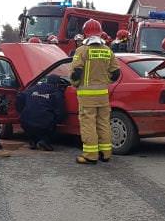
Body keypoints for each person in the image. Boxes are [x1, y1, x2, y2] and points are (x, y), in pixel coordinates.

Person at [71, 18, 120, 164]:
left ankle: (90, 155)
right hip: (103, 95)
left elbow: (76, 73)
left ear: (85, 33)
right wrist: (105, 82)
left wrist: (75, 84)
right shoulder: (108, 51)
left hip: (87, 97)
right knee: (103, 123)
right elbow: (116, 73)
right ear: (99, 33)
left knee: (88, 124)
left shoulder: (81, 51)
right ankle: (106, 153)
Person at [16, 74, 66, 151]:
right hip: (43, 123)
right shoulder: (57, 93)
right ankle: (44, 141)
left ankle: (33, 140)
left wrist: (21, 111)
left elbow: (19, 96)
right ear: (57, 84)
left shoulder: (33, 88)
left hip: (25, 121)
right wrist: (57, 120)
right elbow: (60, 112)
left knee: (33, 125)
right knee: (49, 125)